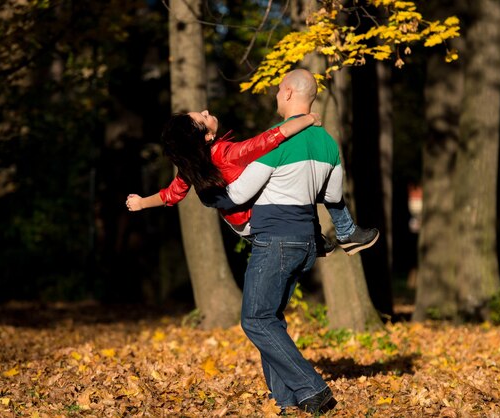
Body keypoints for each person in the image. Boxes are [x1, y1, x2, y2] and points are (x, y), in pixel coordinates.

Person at [201, 68, 374, 414]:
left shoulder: (277, 141)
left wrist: (206, 191)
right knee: (271, 318)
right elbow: (333, 194)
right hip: (306, 244)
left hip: (275, 241)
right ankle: (286, 400)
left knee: (255, 321)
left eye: (279, 91)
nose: (277, 97)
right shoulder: (327, 142)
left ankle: (312, 387)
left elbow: (237, 193)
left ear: (290, 93)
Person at [126, 109, 378, 255]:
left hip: (244, 227)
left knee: (288, 177)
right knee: (301, 173)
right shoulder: (225, 152)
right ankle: (345, 232)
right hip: (261, 218)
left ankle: (317, 241)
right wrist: (307, 119)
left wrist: (141, 203)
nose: (205, 111)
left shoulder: (193, 168)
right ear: (208, 136)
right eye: (203, 118)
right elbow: (267, 140)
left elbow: (171, 194)